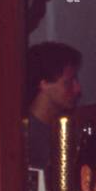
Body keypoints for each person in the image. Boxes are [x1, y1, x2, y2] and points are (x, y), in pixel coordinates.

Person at [25, 42, 83, 173]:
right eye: (68, 82)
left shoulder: (64, 125)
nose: (77, 88)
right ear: (44, 84)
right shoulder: (26, 136)